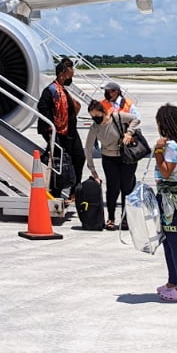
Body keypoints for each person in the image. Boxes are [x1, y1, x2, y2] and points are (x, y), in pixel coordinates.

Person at [85, 97, 142, 230]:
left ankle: (126, 218)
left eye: (97, 115)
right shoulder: (95, 127)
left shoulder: (117, 117)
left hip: (126, 157)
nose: (95, 119)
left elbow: (136, 119)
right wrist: (93, 170)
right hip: (109, 158)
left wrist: (129, 132)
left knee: (126, 188)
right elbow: (87, 148)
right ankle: (111, 218)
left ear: (103, 111)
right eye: (92, 117)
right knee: (112, 188)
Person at [37, 59, 84, 194]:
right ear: (62, 74)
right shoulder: (51, 90)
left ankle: (74, 190)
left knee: (79, 158)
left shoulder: (63, 90)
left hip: (70, 132)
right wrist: (51, 127)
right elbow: (42, 107)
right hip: (59, 133)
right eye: (70, 76)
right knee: (60, 163)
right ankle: (56, 190)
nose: (71, 78)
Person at [152, 104, 177, 301]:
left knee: (175, 242)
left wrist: (158, 152)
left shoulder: (171, 146)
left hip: (172, 201)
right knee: (168, 242)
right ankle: (173, 281)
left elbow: (166, 171)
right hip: (168, 198)